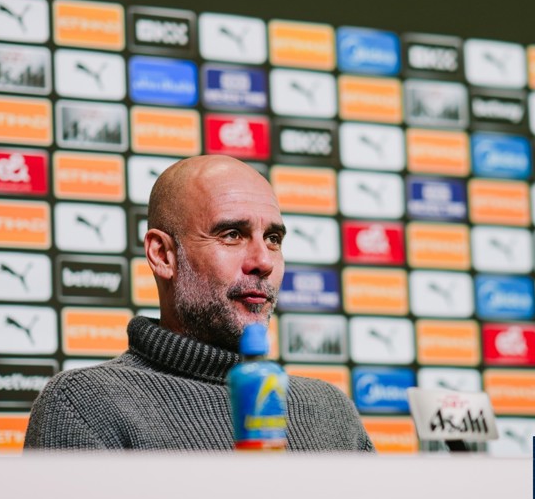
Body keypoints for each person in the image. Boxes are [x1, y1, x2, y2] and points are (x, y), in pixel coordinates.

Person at [25, 155, 374, 451]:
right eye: (232, 235)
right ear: (163, 255)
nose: (263, 261)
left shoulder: (331, 412)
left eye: (272, 239)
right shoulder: (85, 405)